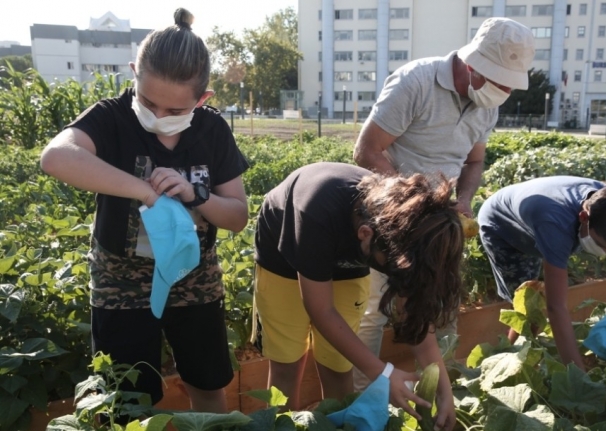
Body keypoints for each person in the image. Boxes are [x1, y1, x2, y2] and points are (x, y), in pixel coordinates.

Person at [40, 9, 249, 413]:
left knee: (207, 383)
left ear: (202, 100)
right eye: (149, 102)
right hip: (122, 280)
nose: (157, 119)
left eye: (174, 113)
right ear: (135, 74)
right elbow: (55, 158)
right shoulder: (111, 118)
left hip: (194, 275)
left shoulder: (212, 130)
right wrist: (145, 191)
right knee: (128, 398)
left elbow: (238, 216)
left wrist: (195, 194)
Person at [352, 17, 535, 390]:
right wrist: (411, 201)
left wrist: (464, 199)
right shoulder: (416, 81)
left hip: (440, 221)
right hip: (389, 215)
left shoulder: (488, 105)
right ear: (474, 65)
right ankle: (360, 395)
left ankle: (439, 391)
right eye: (498, 81)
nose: (503, 91)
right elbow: (367, 151)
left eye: (508, 85)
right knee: (372, 310)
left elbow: (474, 161)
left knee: (443, 304)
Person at [252, 162, 464, 431]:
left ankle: (337, 425)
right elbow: (320, 310)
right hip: (283, 257)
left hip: (347, 259)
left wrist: (444, 394)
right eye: (392, 269)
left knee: (339, 364)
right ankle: (280, 425)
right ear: (365, 235)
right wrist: (383, 374)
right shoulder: (317, 209)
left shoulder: (406, 232)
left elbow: (415, 322)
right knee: (287, 363)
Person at [477, 176, 606, 373]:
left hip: (540, 215)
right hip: (503, 226)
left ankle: (519, 351)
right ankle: (504, 359)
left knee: (534, 301)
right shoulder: (554, 225)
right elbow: (556, 307)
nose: (604, 253)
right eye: (601, 245)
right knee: (525, 304)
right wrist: (579, 378)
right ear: (583, 218)